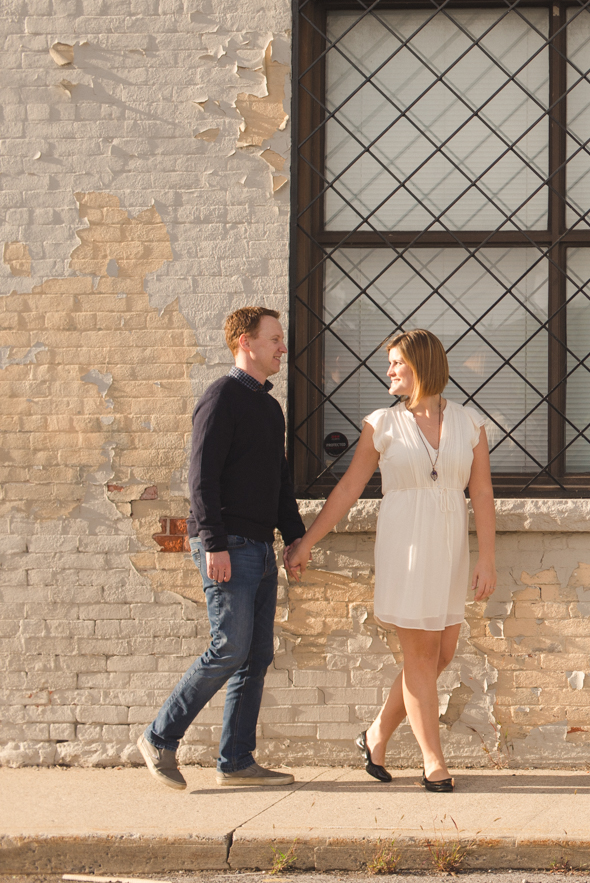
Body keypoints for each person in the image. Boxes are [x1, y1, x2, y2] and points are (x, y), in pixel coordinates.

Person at [285, 328, 497, 793]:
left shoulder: (470, 424)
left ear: (420, 365)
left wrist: (488, 559)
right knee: (419, 655)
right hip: (406, 547)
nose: (389, 371)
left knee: (441, 654)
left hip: (450, 550)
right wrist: (307, 541)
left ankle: (376, 734)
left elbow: (481, 492)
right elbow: (348, 489)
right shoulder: (381, 423)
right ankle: (433, 762)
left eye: (397, 362)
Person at [139, 306, 305, 789]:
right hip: (226, 542)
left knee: (255, 656)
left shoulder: (269, 407)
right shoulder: (222, 396)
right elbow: (201, 477)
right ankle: (159, 737)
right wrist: (212, 542)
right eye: (274, 338)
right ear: (245, 343)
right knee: (228, 647)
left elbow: (279, 483)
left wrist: (293, 535)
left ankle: (236, 761)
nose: (282, 347)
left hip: (259, 543)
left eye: (282, 339)